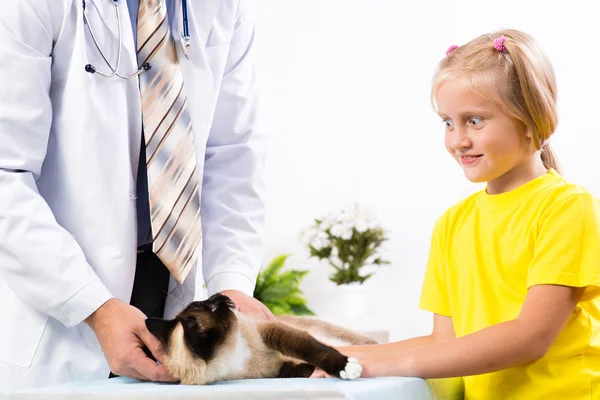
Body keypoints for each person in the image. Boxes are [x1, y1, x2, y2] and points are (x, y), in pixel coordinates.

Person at [0, 0, 273, 392]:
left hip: (167, 297)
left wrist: (232, 284)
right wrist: (94, 307)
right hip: (60, 305)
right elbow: (6, 177)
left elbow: (233, 154)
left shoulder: (221, 8)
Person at [314, 29, 600, 398]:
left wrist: (377, 363)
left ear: (531, 120)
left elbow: (530, 337)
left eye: (474, 121)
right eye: (448, 122)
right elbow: (443, 343)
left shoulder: (567, 209)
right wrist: (341, 356)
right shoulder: (452, 224)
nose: (457, 140)